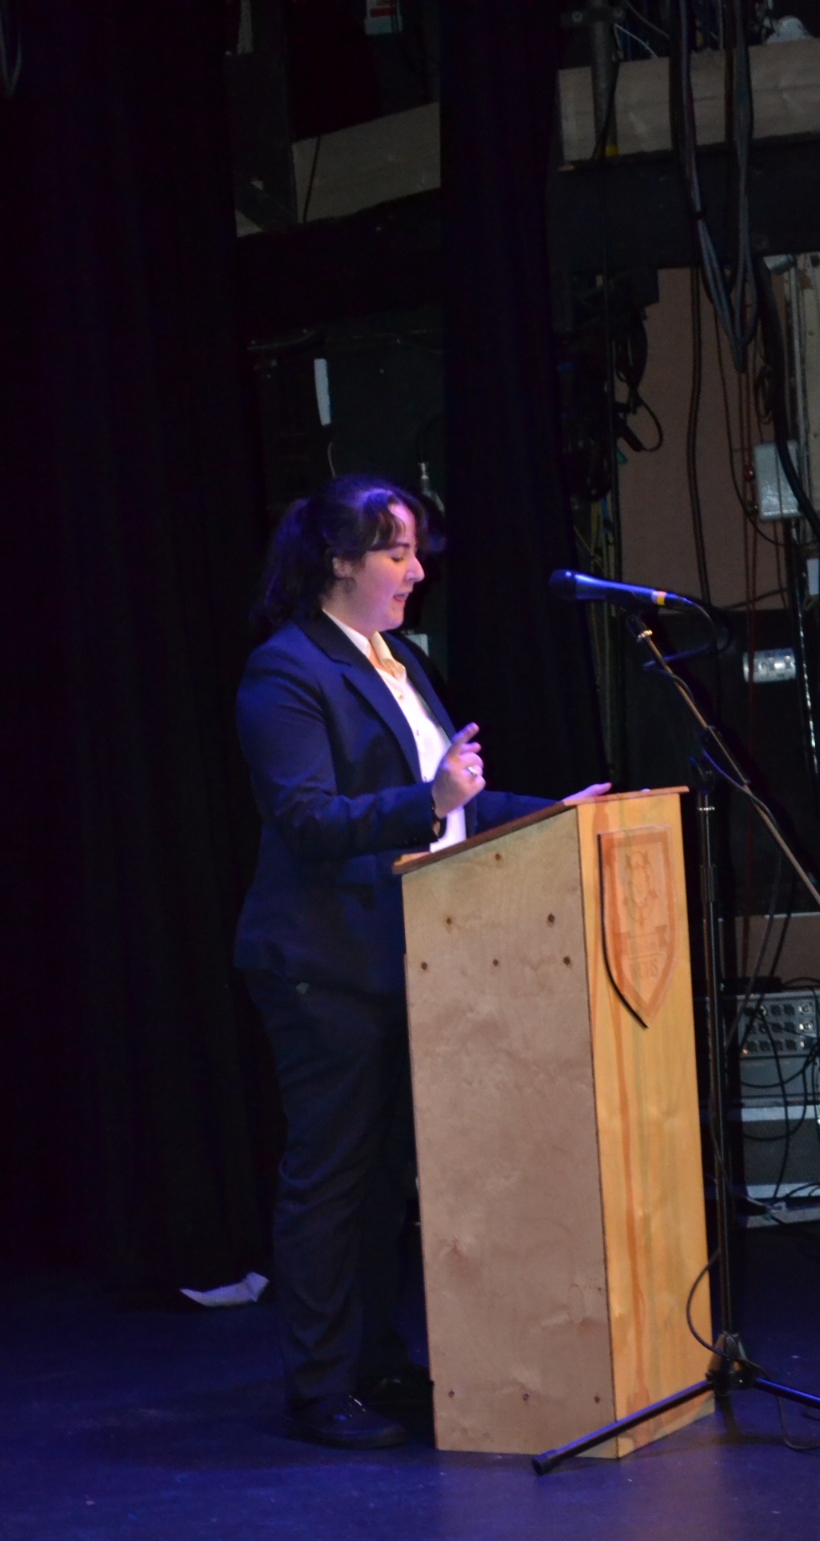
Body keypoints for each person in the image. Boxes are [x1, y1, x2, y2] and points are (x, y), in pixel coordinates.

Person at [234, 476, 607, 1449]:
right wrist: (430, 799)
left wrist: (557, 813)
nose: (415, 571)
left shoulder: (400, 662)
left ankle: (375, 1359)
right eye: (395, 552)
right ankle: (319, 1388)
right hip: (322, 961)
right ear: (339, 561)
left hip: (407, 958)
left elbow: (452, 806)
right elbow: (308, 818)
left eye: (415, 552)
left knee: (386, 1179)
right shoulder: (287, 671)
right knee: (333, 1177)